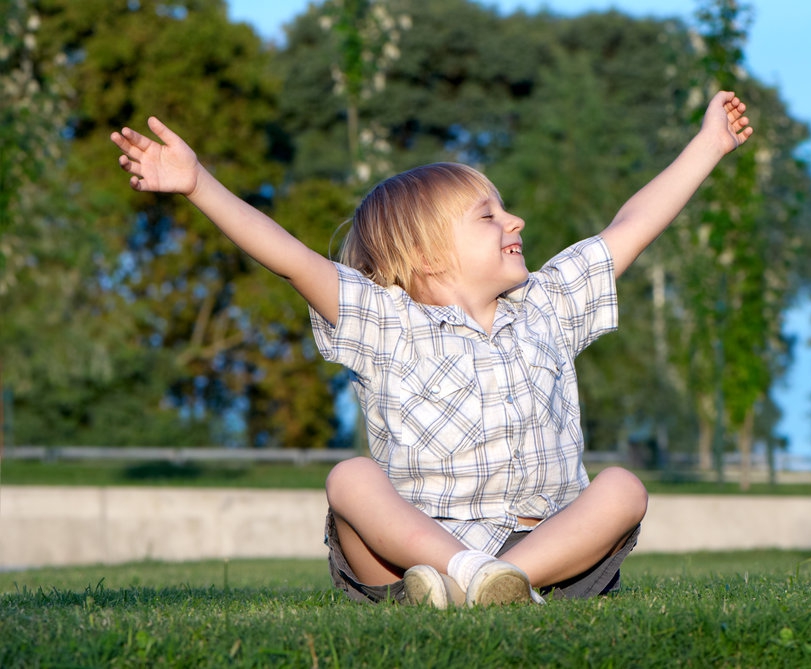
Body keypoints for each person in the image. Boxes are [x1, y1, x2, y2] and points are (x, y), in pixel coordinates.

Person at [110, 90, 752, 607]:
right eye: (488, 216)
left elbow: (631, 225)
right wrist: (200, 186)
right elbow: (291, 258)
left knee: (622, 489)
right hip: (408, 557)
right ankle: (469, 577)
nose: (514, 222)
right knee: (349, 478)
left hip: (545, 550)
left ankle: (498, 585)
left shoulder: (547, 307)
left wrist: (709, 144)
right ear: (423, 255)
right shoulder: (384, 323)